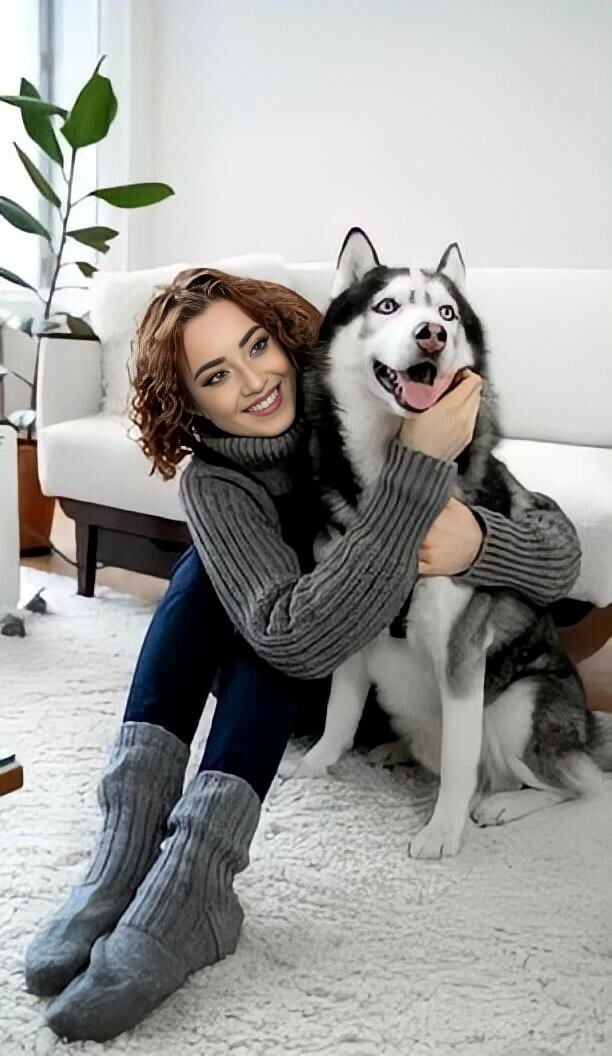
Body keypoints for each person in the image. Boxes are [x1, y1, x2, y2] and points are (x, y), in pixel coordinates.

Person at [25, 268, 581, 1041]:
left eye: (257, 346)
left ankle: (194, 882)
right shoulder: (219, 482)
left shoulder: (373, 411)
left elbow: (559, 554)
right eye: (217, 375)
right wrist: (415, 473)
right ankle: (125, 855)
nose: (254, 381)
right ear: (190, 402)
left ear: (289, 341)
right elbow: (298, 639)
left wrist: (478, 540)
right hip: (308, 681)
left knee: (256, 591)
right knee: (216, 579)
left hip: (384, 691)